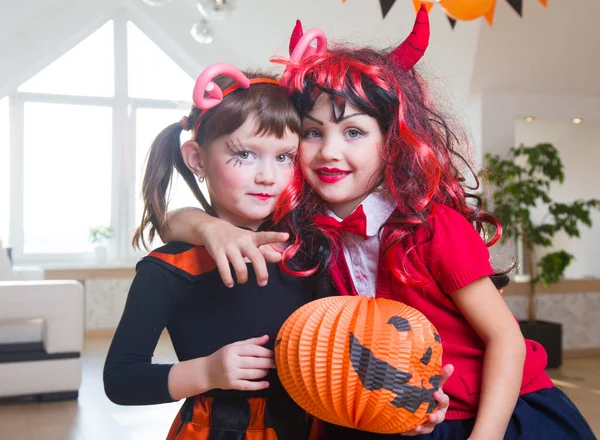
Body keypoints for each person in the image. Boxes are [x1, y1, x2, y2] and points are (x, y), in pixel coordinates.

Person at [160, 6, 597, 440]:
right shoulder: (302, 227)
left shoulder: (431, 227)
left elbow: (507, 339)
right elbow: (170, 223)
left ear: (392, 142)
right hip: (390, 419)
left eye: (353, 132)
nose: (330, 151)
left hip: (490, 417)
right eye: (313, 133)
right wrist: (209, 228)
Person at [104, 63, 319, 440]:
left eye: (283, 156)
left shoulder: (308, 250)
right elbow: (120, 380)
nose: (268, 176)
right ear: (197, 159)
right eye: (245, 155)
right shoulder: (167, 269)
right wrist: (206, 372)